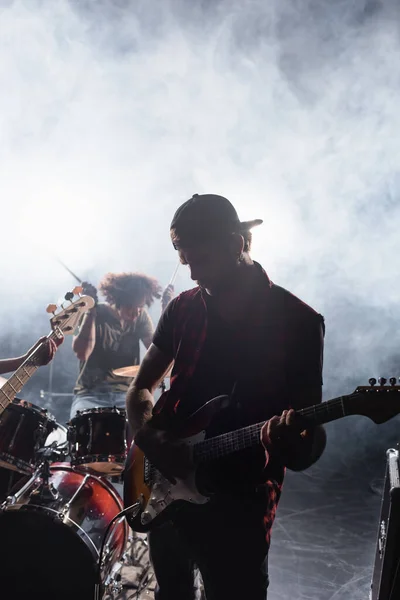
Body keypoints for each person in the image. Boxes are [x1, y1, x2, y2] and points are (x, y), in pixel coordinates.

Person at [126, 193, 327, 600]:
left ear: (236, 245)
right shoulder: (182, 309)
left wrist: (292, 440)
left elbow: (311, 441)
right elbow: (140, 387)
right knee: (172, 592)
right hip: (168, 487)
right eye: (183, 258)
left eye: (198, 258)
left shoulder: (298, 322)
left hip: (240, 500)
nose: (191, 271)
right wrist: (150, 439)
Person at [70, 271, 173, 418]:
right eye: (132, 306)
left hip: (127, 394)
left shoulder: (141, 317)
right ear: (118, 300)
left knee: (146, 431)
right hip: (89, 395)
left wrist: (166, 311)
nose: (137, 312)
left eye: (141, 306)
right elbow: (82, 353)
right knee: (80, 430)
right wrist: (90, 312)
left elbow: (158, 352)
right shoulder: (94, 313)